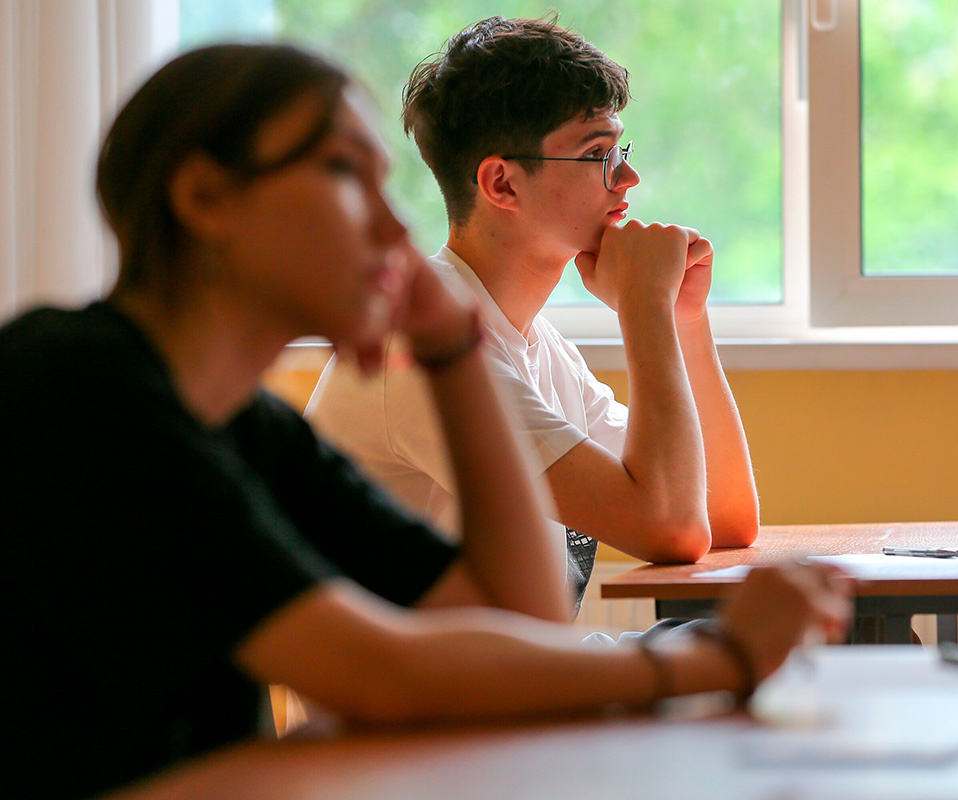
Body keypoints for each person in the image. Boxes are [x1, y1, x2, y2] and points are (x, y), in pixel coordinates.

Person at [2, 43, 851, 800]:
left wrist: (450, 349)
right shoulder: (75, 385)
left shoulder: (252, 428)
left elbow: (522, 617)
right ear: (205, 197)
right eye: (343, 174)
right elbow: (385, 674)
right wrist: (727, 657)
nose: (396, 225)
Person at [305, 16, 760, 611]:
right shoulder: (419, 342)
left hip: (511, 685)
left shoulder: (536, 346)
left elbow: (725, 517)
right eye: (596, 154)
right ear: (503, 184)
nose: (627, 178)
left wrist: (683, 319)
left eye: (617, 149)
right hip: (434, 700)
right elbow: (671, 527)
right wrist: (643, 306)